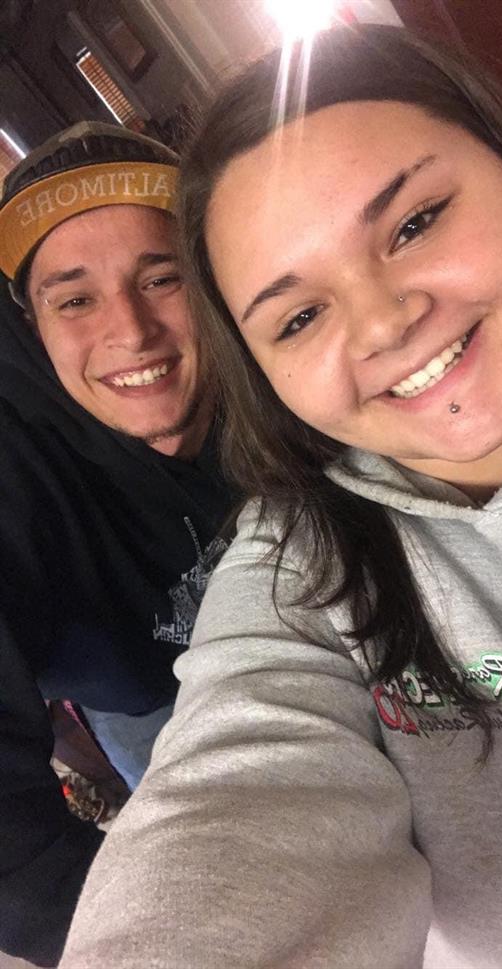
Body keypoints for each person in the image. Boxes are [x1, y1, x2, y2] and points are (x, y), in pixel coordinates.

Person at [60, 26, 502, 969]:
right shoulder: (299, 557)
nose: (384, 324)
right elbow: (232, 795)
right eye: (300, 315)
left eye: (414, 223)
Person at [0, 121, 234, 966]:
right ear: (33, 326)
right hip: (147, 706)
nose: (131, 331)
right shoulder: (18, 458)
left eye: (161, 278)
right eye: (75, 299)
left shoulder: (270, 364)